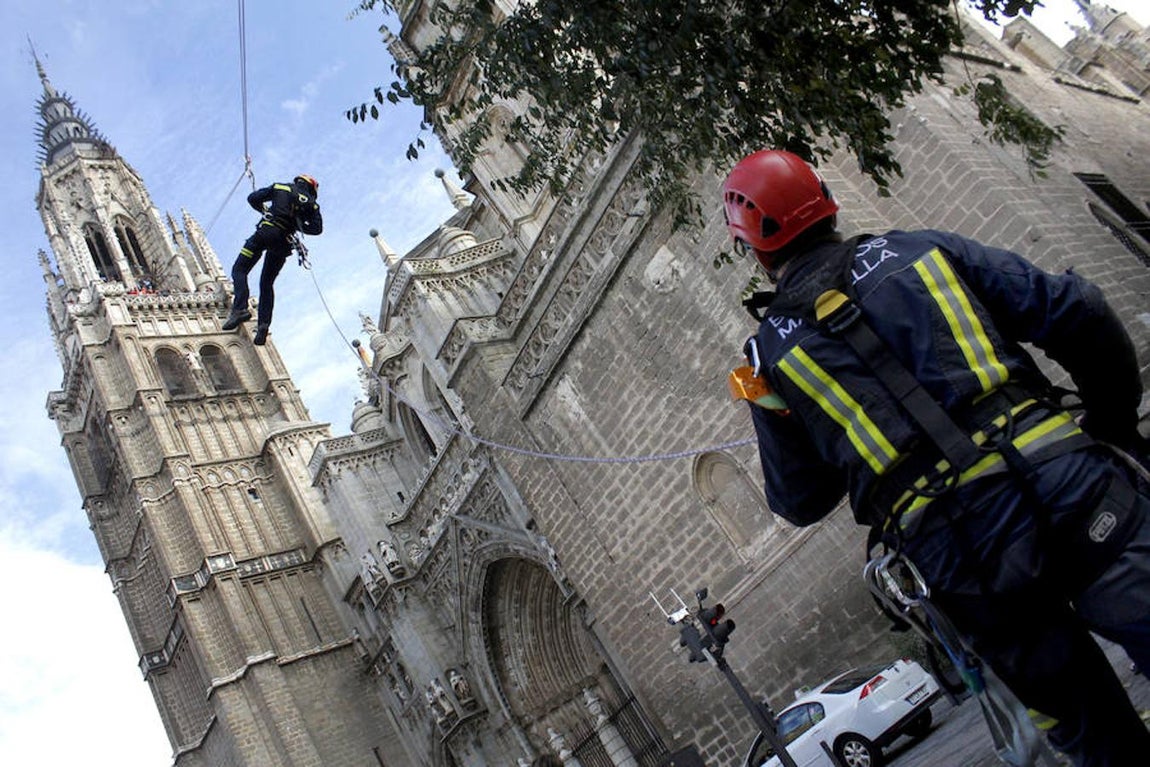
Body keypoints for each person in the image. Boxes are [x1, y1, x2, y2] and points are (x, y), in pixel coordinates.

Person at [723, 149, 1150, 766]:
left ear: (758, 253)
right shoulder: (919, 251)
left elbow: (800, 500)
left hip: (966, 561)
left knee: (1096, 738)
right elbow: (1076, 309)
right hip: (1070, 488)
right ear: (830, 207)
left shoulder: (768, 362)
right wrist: (1111, 425)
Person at [222, 174, 323, 345]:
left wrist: (266, 211)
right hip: (283, 242)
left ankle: (240, 309)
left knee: (239, 269)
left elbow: (253, 198)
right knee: (267, 283)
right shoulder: (312, 205)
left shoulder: (280, 187)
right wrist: (296, 225)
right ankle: (263, 325)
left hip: (265, 233)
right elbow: (317, 229)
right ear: (311, 188)